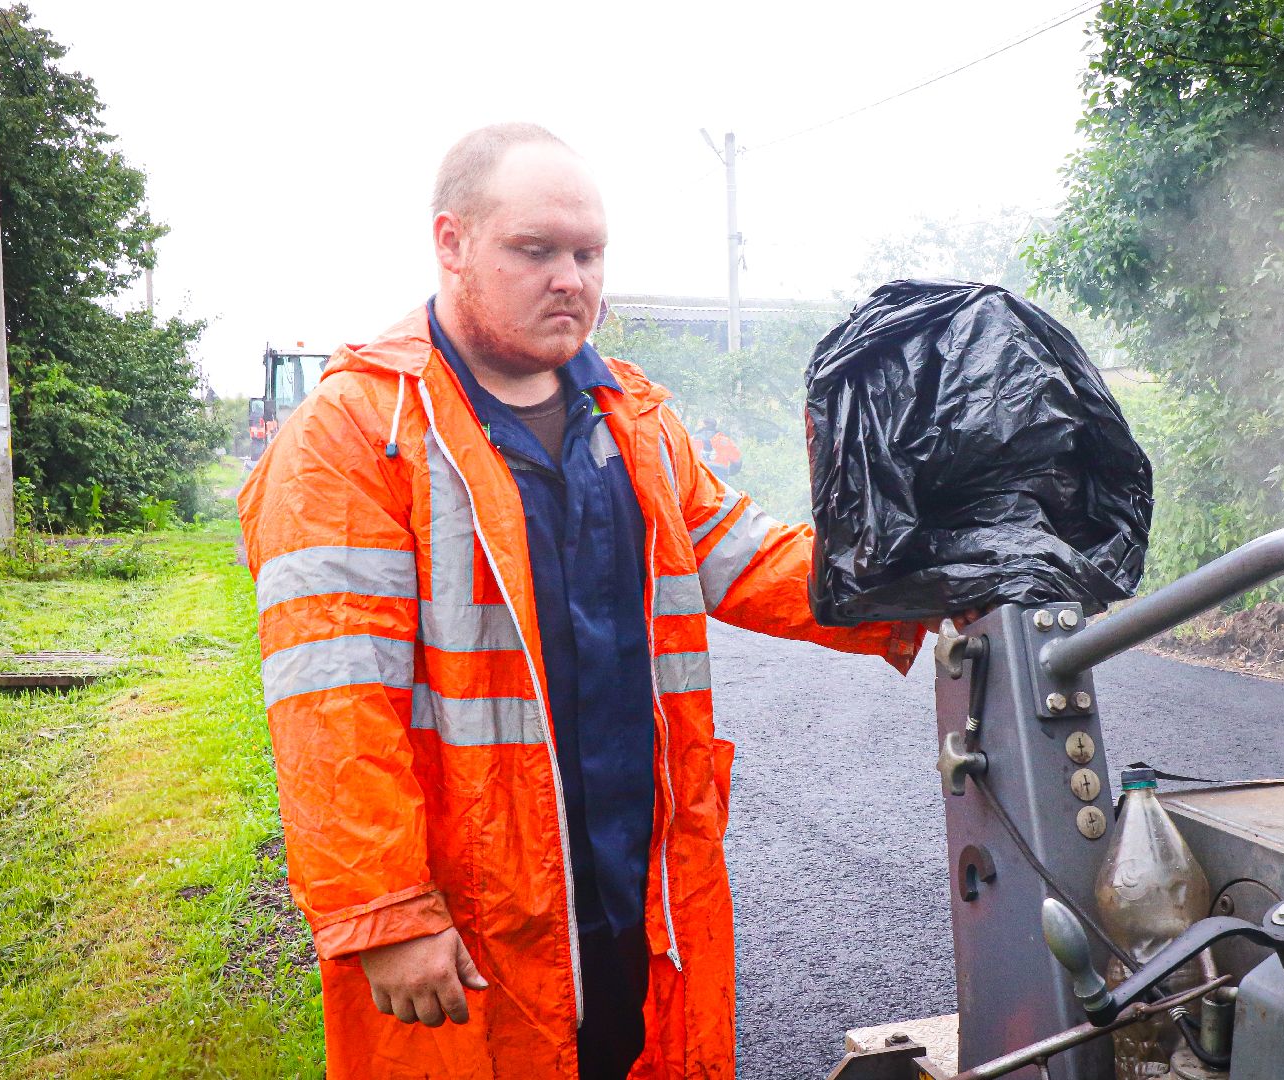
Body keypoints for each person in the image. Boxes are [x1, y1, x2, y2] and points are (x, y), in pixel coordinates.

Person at [237, 123, 927, 1080]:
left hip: (637, 876)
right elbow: (331, 704)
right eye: (536, 250)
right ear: (452, 242)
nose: (572, 277)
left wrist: (929, 581)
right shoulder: (361, 436)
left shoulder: (632, 420)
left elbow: (753, 559)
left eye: (588, 253)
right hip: (476, 904)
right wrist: (384, 911)